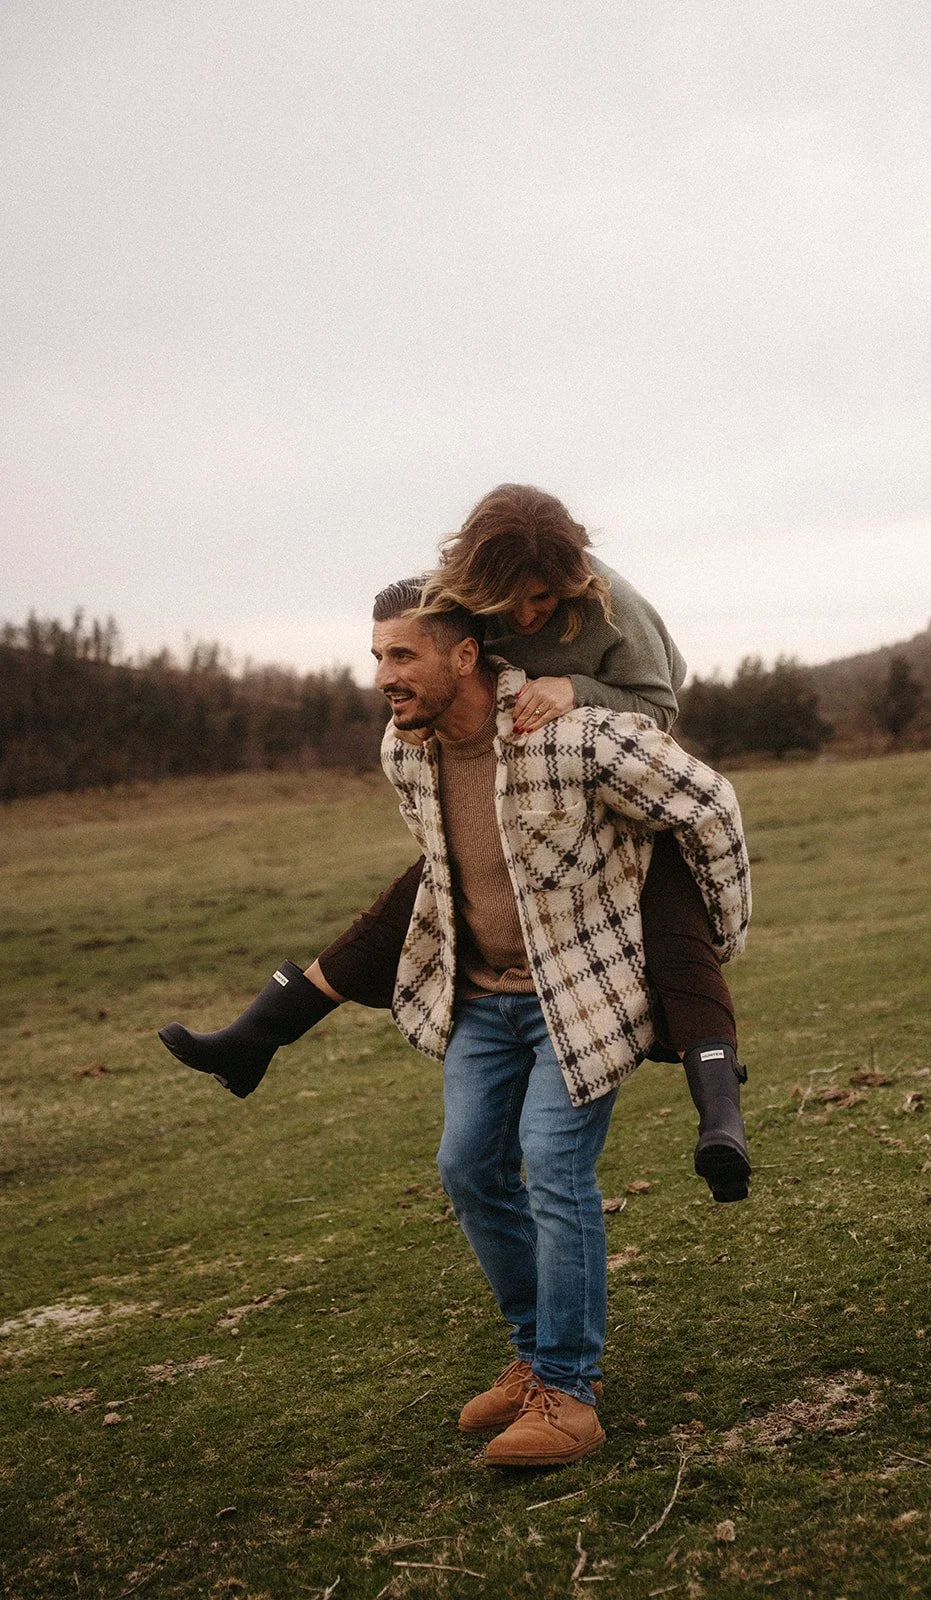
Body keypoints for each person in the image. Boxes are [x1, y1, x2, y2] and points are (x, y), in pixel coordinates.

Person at [159, 486, 749, 1200]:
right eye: (509, 601)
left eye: (542, 600)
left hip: (613, 770)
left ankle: (720, 1117)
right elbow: (431, 651)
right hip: (512, 783)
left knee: (672, 917)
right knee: (430, 886)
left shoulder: (610, 605)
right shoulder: (459, 597)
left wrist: (576, 687)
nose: (524, 616)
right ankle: (255, 1037)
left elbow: (658, 708)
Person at [366, 576, 749, 1464]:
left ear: (466, 654)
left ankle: (570, 1394)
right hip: (479, 1001)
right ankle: (536, 1355)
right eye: (377, 655)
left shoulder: (572, 733)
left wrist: (710, 939)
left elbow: (708, 804)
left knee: (552, 1165)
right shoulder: (403, 750)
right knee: (467, 1167)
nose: (384, 675)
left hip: (577, 999)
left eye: (402, 655)